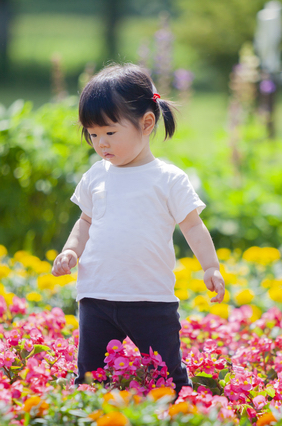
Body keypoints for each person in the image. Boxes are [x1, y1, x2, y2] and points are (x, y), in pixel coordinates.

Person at [51, 63, 225, 392]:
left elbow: (192, 225)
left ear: (146, 123)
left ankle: (182, 406)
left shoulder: (167, 178)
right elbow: (85, 220)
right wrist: (71, 250)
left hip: (151, 298)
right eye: (93, 134)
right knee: (89, 374)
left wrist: (211, 266)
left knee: (168, 374)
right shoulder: (96, 175)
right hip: (96, 295)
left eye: (110, 132)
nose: (101, 143)